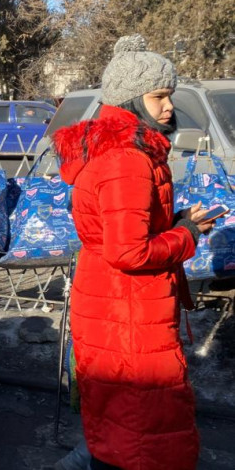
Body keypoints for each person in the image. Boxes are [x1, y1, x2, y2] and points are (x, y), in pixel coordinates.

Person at [52, 34, 213, 470]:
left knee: (123, 417)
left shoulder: (121, 151)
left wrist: (174, 221)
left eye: (169, 96)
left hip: (114, 299)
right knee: (143, 423)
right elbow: (129, 251)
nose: (169, 107)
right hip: (127, 306)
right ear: (130, 101)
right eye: (158, 96)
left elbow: (121, 227)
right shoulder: (128, 159)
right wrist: (187, 234)